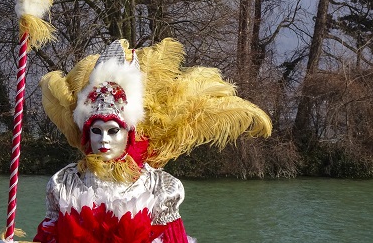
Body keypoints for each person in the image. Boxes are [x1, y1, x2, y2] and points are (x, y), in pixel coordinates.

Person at [33, 38, 272, 242]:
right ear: (86, 134)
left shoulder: (157, 188)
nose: (103, 140)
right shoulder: (65, 184)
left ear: (129, 134)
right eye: (96, 131)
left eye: (113, 131)